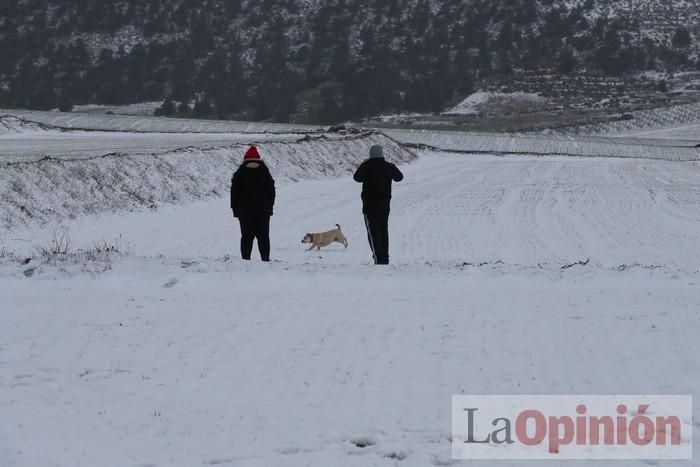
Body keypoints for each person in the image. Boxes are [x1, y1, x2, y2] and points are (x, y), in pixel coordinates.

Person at [353, 145, 404, 265]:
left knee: (373, 232)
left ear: (370, 154)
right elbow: (399, 177)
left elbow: (356, 178)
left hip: (369, 206)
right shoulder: (389, 167)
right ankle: (384, 259)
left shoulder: (366, 167)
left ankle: (378, 259)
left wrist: (363, 164)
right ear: (382, 154)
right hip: (384, 205)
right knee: (383, 231)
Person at [230, 146, 276, 262]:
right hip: (263, 211)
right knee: (263, 237)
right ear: (258, 158)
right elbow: (272, 191)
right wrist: (269, 206)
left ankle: (246, 260)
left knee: (246, 237)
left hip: (244, 212)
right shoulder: (264, 172)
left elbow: (234, 193)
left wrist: (235, 209)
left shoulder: (240, 173)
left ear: (246, 159)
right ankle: (265, 260)